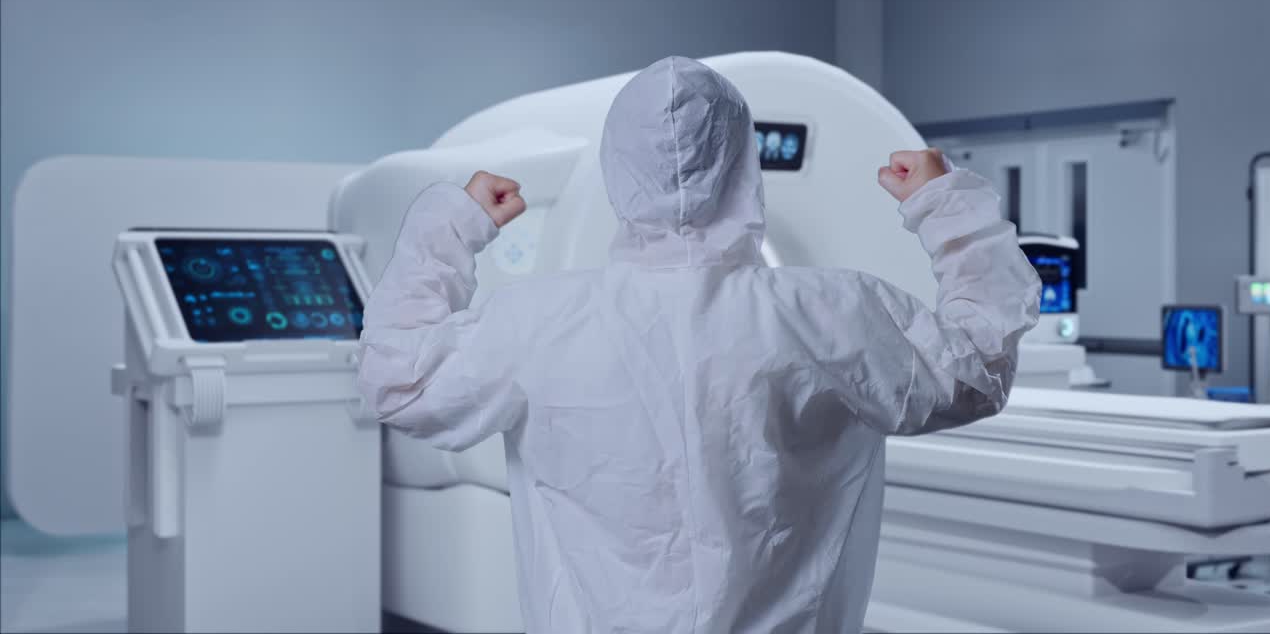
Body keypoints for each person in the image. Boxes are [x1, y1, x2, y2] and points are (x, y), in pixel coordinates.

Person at [357, 56, 1041, 633]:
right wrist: (948, 206)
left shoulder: (540, 322)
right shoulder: (833, 312)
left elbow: (397, 381)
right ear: (747, 166)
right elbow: (979, 369)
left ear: (616, 173)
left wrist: (453, 225)